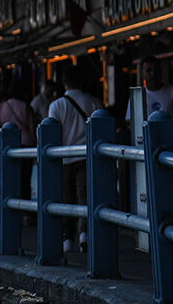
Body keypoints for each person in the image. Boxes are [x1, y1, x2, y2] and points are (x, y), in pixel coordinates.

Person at [46, 63, 104, 253]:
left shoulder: (56, 105)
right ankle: (84, 234)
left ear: (63, 82)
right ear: (81, 81)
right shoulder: (94, 103)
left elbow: (51, 132)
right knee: (84, 196)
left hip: (64, 157)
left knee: (66, 198)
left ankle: (67, 238)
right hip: (87, 156)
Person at [125, 54, 173, 146]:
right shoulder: (137, 96)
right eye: (148, 70)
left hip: (171, 145)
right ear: (142, 73)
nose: (153, 74)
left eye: (156, 70)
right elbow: (131, 124)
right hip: (146, 146)